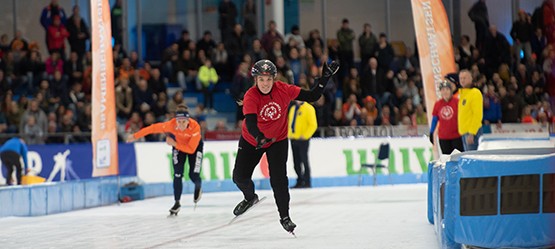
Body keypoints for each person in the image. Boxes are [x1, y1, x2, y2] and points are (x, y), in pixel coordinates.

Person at [232, 59, 339, 233]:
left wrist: (325, 78)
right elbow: (251, 122)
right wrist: (259, 138)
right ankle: (250, 198)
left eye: (268, 79)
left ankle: (285, 217)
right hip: (252, 140)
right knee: (239, 177)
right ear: (255, 80)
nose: (265, 84)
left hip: (277, 140)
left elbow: (312, 97)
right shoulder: (251, 96)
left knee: (279, 180)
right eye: (261, 79)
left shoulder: (284, 89)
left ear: (274, 79)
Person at [126, 104, 203, 214]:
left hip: (194, 147)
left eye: (184, 122)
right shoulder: (170, 125)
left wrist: (174, 143)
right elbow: (152, 128)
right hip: (178, 146)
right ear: (175, 121)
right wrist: (135, 136)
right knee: (177, 174)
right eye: (179, 121)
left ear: (188, 121)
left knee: (193, 175)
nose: (181, 125)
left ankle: (198, 185)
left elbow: (191, 150)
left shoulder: (195, 127)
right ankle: (177, 203)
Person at [288, 100, 318, 188]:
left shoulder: (309, 108)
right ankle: (300, 180)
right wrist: (289, 134)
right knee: (296, 162)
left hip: (303, 139)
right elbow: (290, 122)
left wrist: (305, 135)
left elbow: (313, 125)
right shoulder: (293, 108)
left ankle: (307, 181)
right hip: (293, 138)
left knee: (304, 160)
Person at [429, 81, 464, 154]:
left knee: (458, 157)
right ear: (440, 92)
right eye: (443, 90)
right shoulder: (438, 104)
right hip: (443, 137)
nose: (445, 92)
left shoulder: (457, 102)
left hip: (456, 136)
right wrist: (431, 132)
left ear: (451, 91)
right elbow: (435, 119)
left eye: (447, 89)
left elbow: (463, 117)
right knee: (446, 159)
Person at [458, 70, 483, 151]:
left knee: (472, 158)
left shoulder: (475, 93)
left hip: (472, 132)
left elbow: (477, 114)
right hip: (463, 132)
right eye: (461, 78)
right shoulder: (461, 94)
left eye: (464, 78)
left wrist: (472, 133)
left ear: (471, 78)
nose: (462, 80)